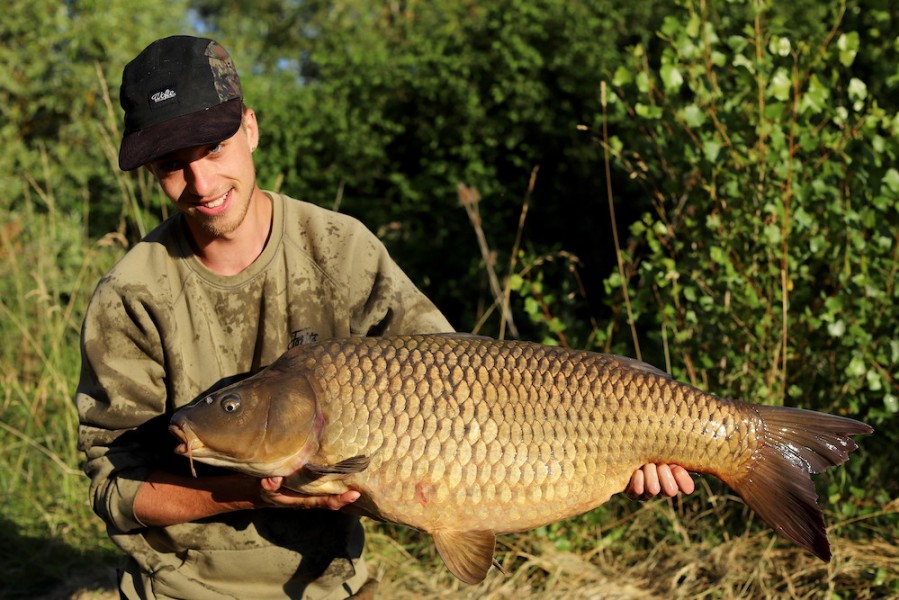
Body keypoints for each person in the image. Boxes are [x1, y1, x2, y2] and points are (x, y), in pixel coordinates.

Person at [75, 35, 693, 600]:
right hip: (182, 589)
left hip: (330, 587)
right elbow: (114, 489)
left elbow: (464, 391)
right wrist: (246, 489)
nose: (201, 181)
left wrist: (628, 439)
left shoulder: (340, 248)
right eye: (171, 165)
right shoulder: (132, 296)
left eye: (214, 148)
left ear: (252, 129)